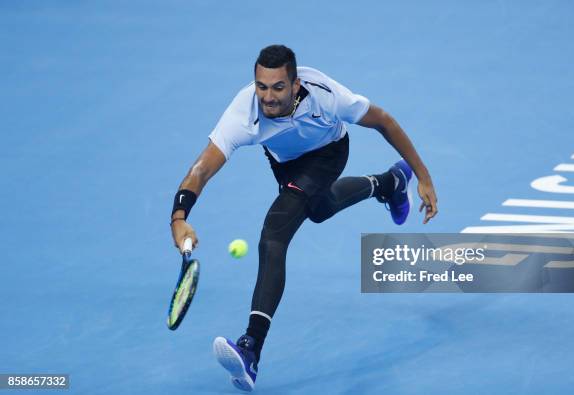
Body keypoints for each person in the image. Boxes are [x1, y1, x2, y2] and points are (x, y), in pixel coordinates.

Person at [170, 44, 438, 392]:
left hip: (329, 153)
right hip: (286, 164)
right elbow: (202, 168)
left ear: (295, 85)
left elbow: (384, 121)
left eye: (278, 87)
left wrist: (425, 176)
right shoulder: (243, 112)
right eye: (261, 86)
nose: (268, 96)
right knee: (319, 209)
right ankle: (388, 183)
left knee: (274, 232)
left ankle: (251, 348)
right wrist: (179, 217)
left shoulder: (326, 96)